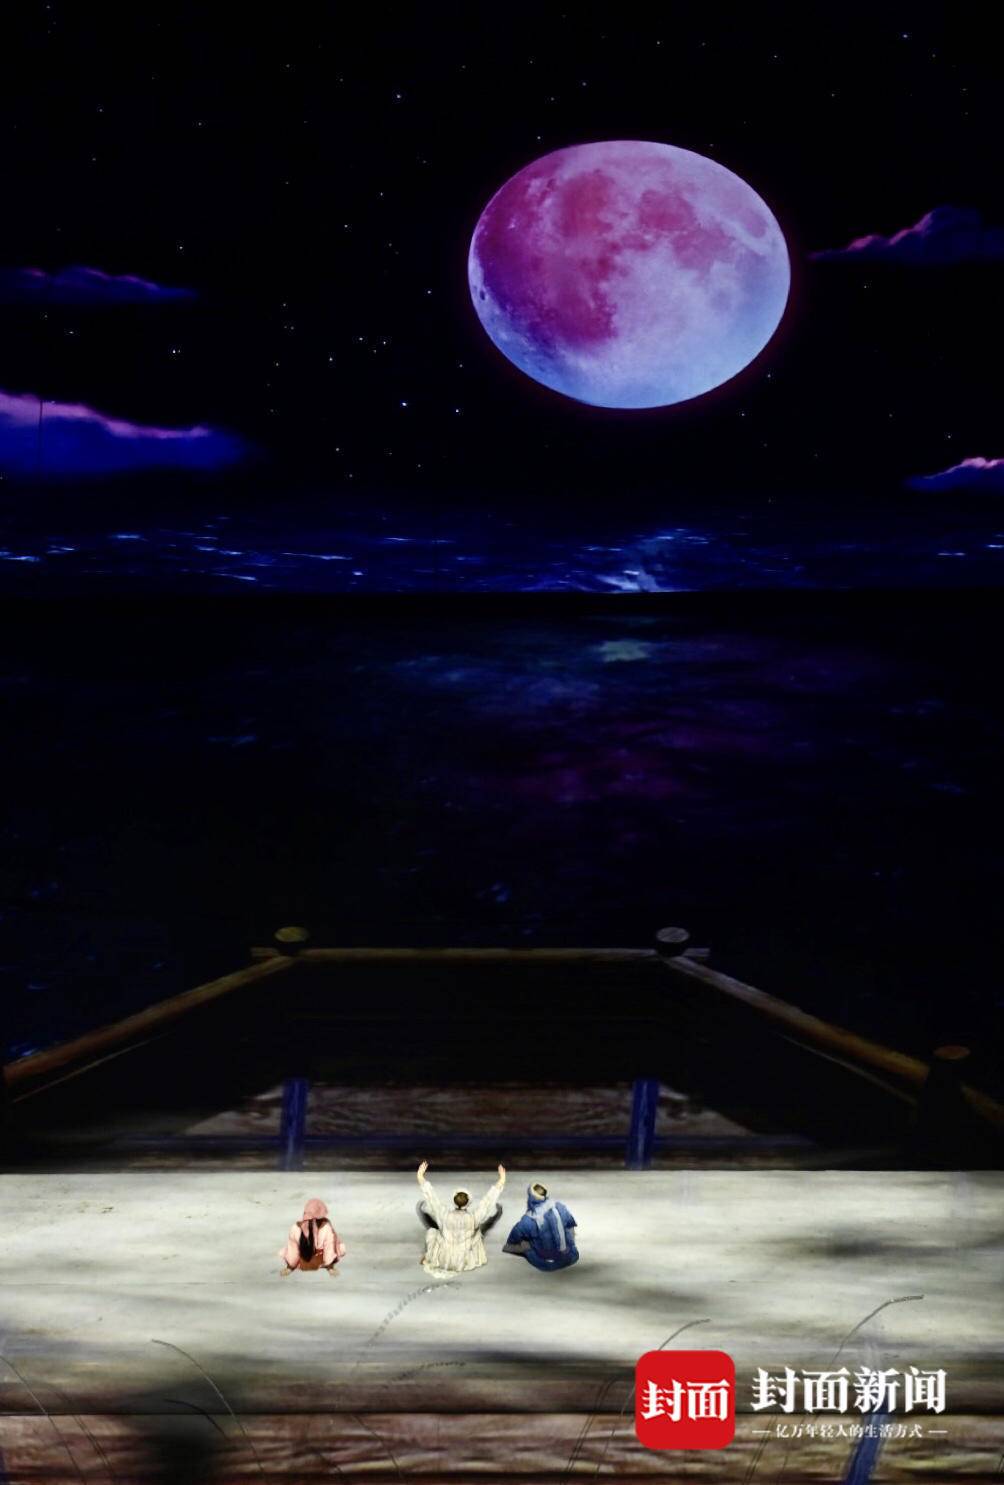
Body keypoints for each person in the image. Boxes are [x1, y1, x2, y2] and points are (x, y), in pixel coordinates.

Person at [416, 1159, 505, 1277]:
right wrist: (501, 1180)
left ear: (454, 1201)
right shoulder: (473, 1218)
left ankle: (430, 1257)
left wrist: (420, 1177)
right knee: (478, 1234)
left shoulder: (444, 1215)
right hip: (463, 1261)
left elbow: (432, 1198)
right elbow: (487, 1202)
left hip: (445, 1258)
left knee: (432, 1232)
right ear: (468, 1203)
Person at [503, 1182, 579, 1271]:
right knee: (567, 1227)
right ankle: (563, 1254)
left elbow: (512, 1241)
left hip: (545, 1260)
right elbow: (571, 1225)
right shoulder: (559, 1206)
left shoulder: (528, 1220)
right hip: (570, 1256)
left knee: (514, 1245)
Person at [279, 1197, 345, 1277]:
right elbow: (329, 1248)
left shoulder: (295, 1228)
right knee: (340, 1247)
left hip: (302, 1263)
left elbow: (293, 1250)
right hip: (320, 1261)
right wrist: (330, 1267)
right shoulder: (326, 1227)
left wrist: (290, 1267)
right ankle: (328, 1265)